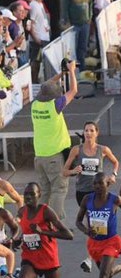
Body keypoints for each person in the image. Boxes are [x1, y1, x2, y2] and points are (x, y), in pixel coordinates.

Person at [14, 183, 86, 278]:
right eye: (26, 194)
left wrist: (43, 232)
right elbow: (22, 232)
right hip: (30, 260)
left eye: (32, 194)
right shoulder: (22, 212)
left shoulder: (46, 211)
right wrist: (17, 240)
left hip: (48, 260)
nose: (28, 197)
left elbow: (68, 234)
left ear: (39, 195)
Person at [62, 121, 119, 272]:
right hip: (82, 192)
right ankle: (94, 255)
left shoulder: (103, 150)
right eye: (86, 130)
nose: (88, 133)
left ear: (96, 133)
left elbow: (115, 162)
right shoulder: (76, 150)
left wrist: (113, 175)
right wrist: (75, 170)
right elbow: (64, 171)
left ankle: (90, 258)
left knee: (94, 222)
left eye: (91, 130)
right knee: (92, 223)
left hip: (99, 192)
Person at [31, 59, 77, 221]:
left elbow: (47, 84)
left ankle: (40, 221)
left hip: (39, 155)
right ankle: (54, 223)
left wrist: (61, 74)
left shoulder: (35, 104)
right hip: (54, 156)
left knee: (45, 191)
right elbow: (73, 90)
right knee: (59, 189)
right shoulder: (55, 105)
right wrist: (71, 70)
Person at [59, 0, 91, 67]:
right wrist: (67, 22)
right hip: (74, 24)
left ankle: (82, 68)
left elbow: (90, 4)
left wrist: (90, 17)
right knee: (73, 49)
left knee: (83, 47)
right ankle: (74, 70)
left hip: (85, 23)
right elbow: (64, 9)